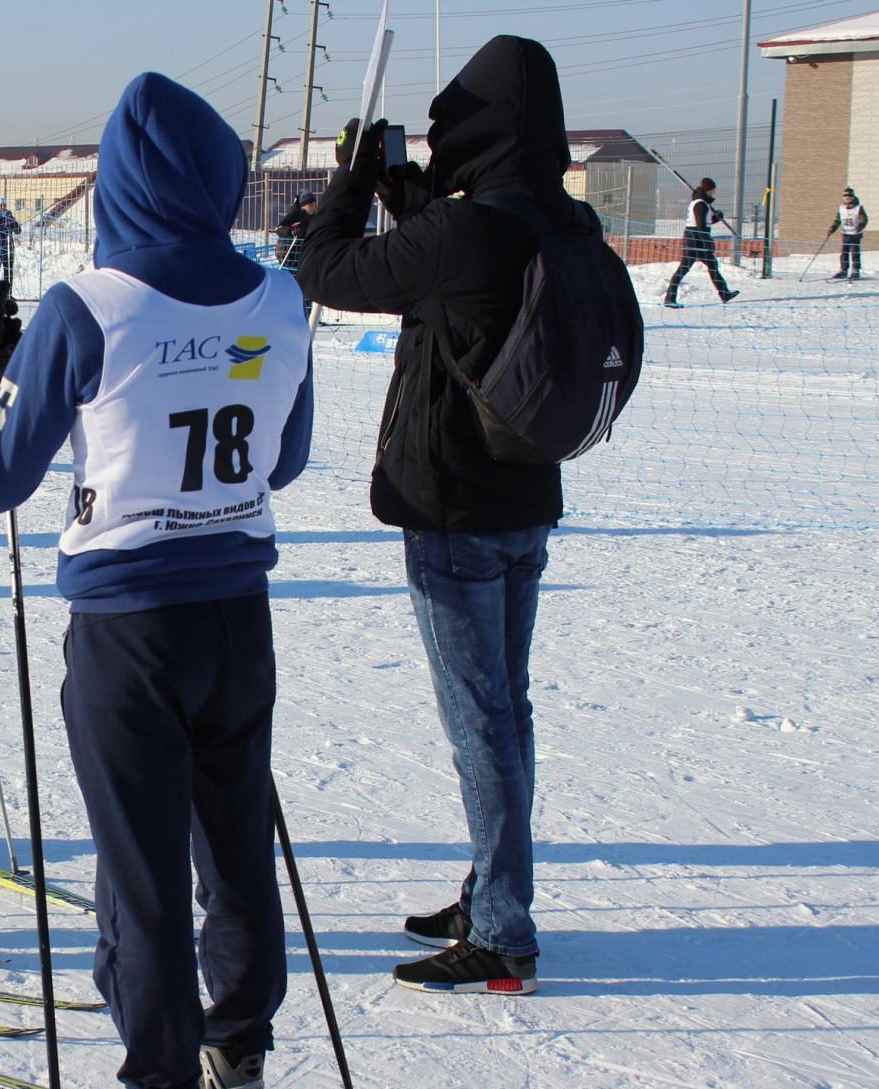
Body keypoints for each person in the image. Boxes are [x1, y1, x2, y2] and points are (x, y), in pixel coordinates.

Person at [0, 72, 314, 1089]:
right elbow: (285, 458)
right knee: (232, 845)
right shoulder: (278, 297)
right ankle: (234, 1077)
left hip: (125, 628)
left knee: (142, 876)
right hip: (233, 617)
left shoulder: (86, 305)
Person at [295, 34, 585, 996]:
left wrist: (347, 180)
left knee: (482, 724)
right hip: (526, 496)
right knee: (510, 712)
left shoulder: (468, 232)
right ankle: (492, 890)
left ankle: (503, 930)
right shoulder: (560, 220)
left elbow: (324, 270)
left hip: (454, 507)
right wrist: (399, 191)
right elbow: (457, 270)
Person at [664, 176, 737, 308]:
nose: (714, 193)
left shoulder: (703, 204)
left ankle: (724, 293)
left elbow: (705, 222)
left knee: (712, 264)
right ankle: (669, 298)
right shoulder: (700, 204)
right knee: (684, 268)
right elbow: (700, 226)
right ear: (707, 190)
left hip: (696, 237)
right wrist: (707, 242)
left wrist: (716, 218)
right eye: (713, 190)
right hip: (695, 239)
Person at [829, 188, 867, 282]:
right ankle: (843, 270)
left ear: (853, 197)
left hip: (855, 234)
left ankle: (855, 270)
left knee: (855, 253)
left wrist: (860, 226)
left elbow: (864, 219)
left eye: (849, 196)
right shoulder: (842, 208)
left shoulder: (858, 207)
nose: (847, 198)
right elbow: (838, 220)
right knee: (844, 253)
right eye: (845, 196)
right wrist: (832, 228)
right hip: (845, 233)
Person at [273, 192, 316, 266]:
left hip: (305, 252)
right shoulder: (294, 215)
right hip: (289, 253)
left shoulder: (313, 216)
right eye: (310, 205)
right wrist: (292, 231)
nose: (313, 206)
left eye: (314, 204)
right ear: (303, 206)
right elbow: (278, 229)